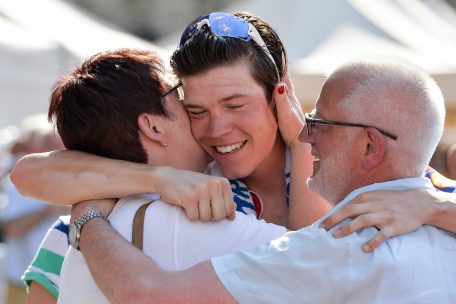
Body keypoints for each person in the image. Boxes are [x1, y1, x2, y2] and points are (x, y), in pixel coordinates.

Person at [10, 12, 456, 246]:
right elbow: (31, 173)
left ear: (279, 92)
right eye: (197, 109)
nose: (217, 128)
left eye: (235, 104)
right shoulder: (197, 178)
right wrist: (159, 177)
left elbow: (313, 264)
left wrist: (434, 210)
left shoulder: (355, 158)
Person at [71, 59, 456, 303]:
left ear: (370, 146)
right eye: (194, 110)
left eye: (319, 124)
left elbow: (144, 294)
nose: (304, 137)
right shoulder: (444, 228)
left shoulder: (338, 244)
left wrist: (87, 213)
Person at [43, 48, 289, 304]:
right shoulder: (179, 220)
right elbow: (319, 258)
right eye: (178, 95)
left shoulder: (108, 215)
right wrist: (301, 142)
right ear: (153, 126)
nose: (190, 107)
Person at [0, 117, 67, 304]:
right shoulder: (18, 182)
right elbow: (12, 228)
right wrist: (49, 209)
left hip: (59, 287)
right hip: (22, 285)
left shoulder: (74, 184)